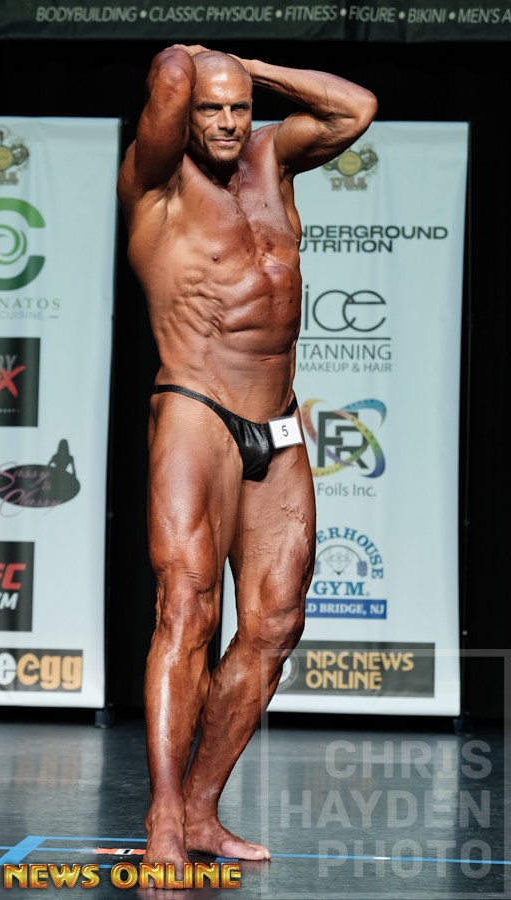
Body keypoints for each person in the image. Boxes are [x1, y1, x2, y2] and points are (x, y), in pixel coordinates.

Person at [117, 44, 377, 873]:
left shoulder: (272, 159)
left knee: (275, 623)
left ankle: (201, 809)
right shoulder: (155, 182)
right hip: (197, 409)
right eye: (211, 108)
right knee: (187, 611)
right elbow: (168, 71)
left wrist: (247, 67)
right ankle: (163, 815)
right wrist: (196, 62)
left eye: (239, 107)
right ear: (184, 112)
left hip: (278, 420)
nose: (229, 123)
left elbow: (357, 108)